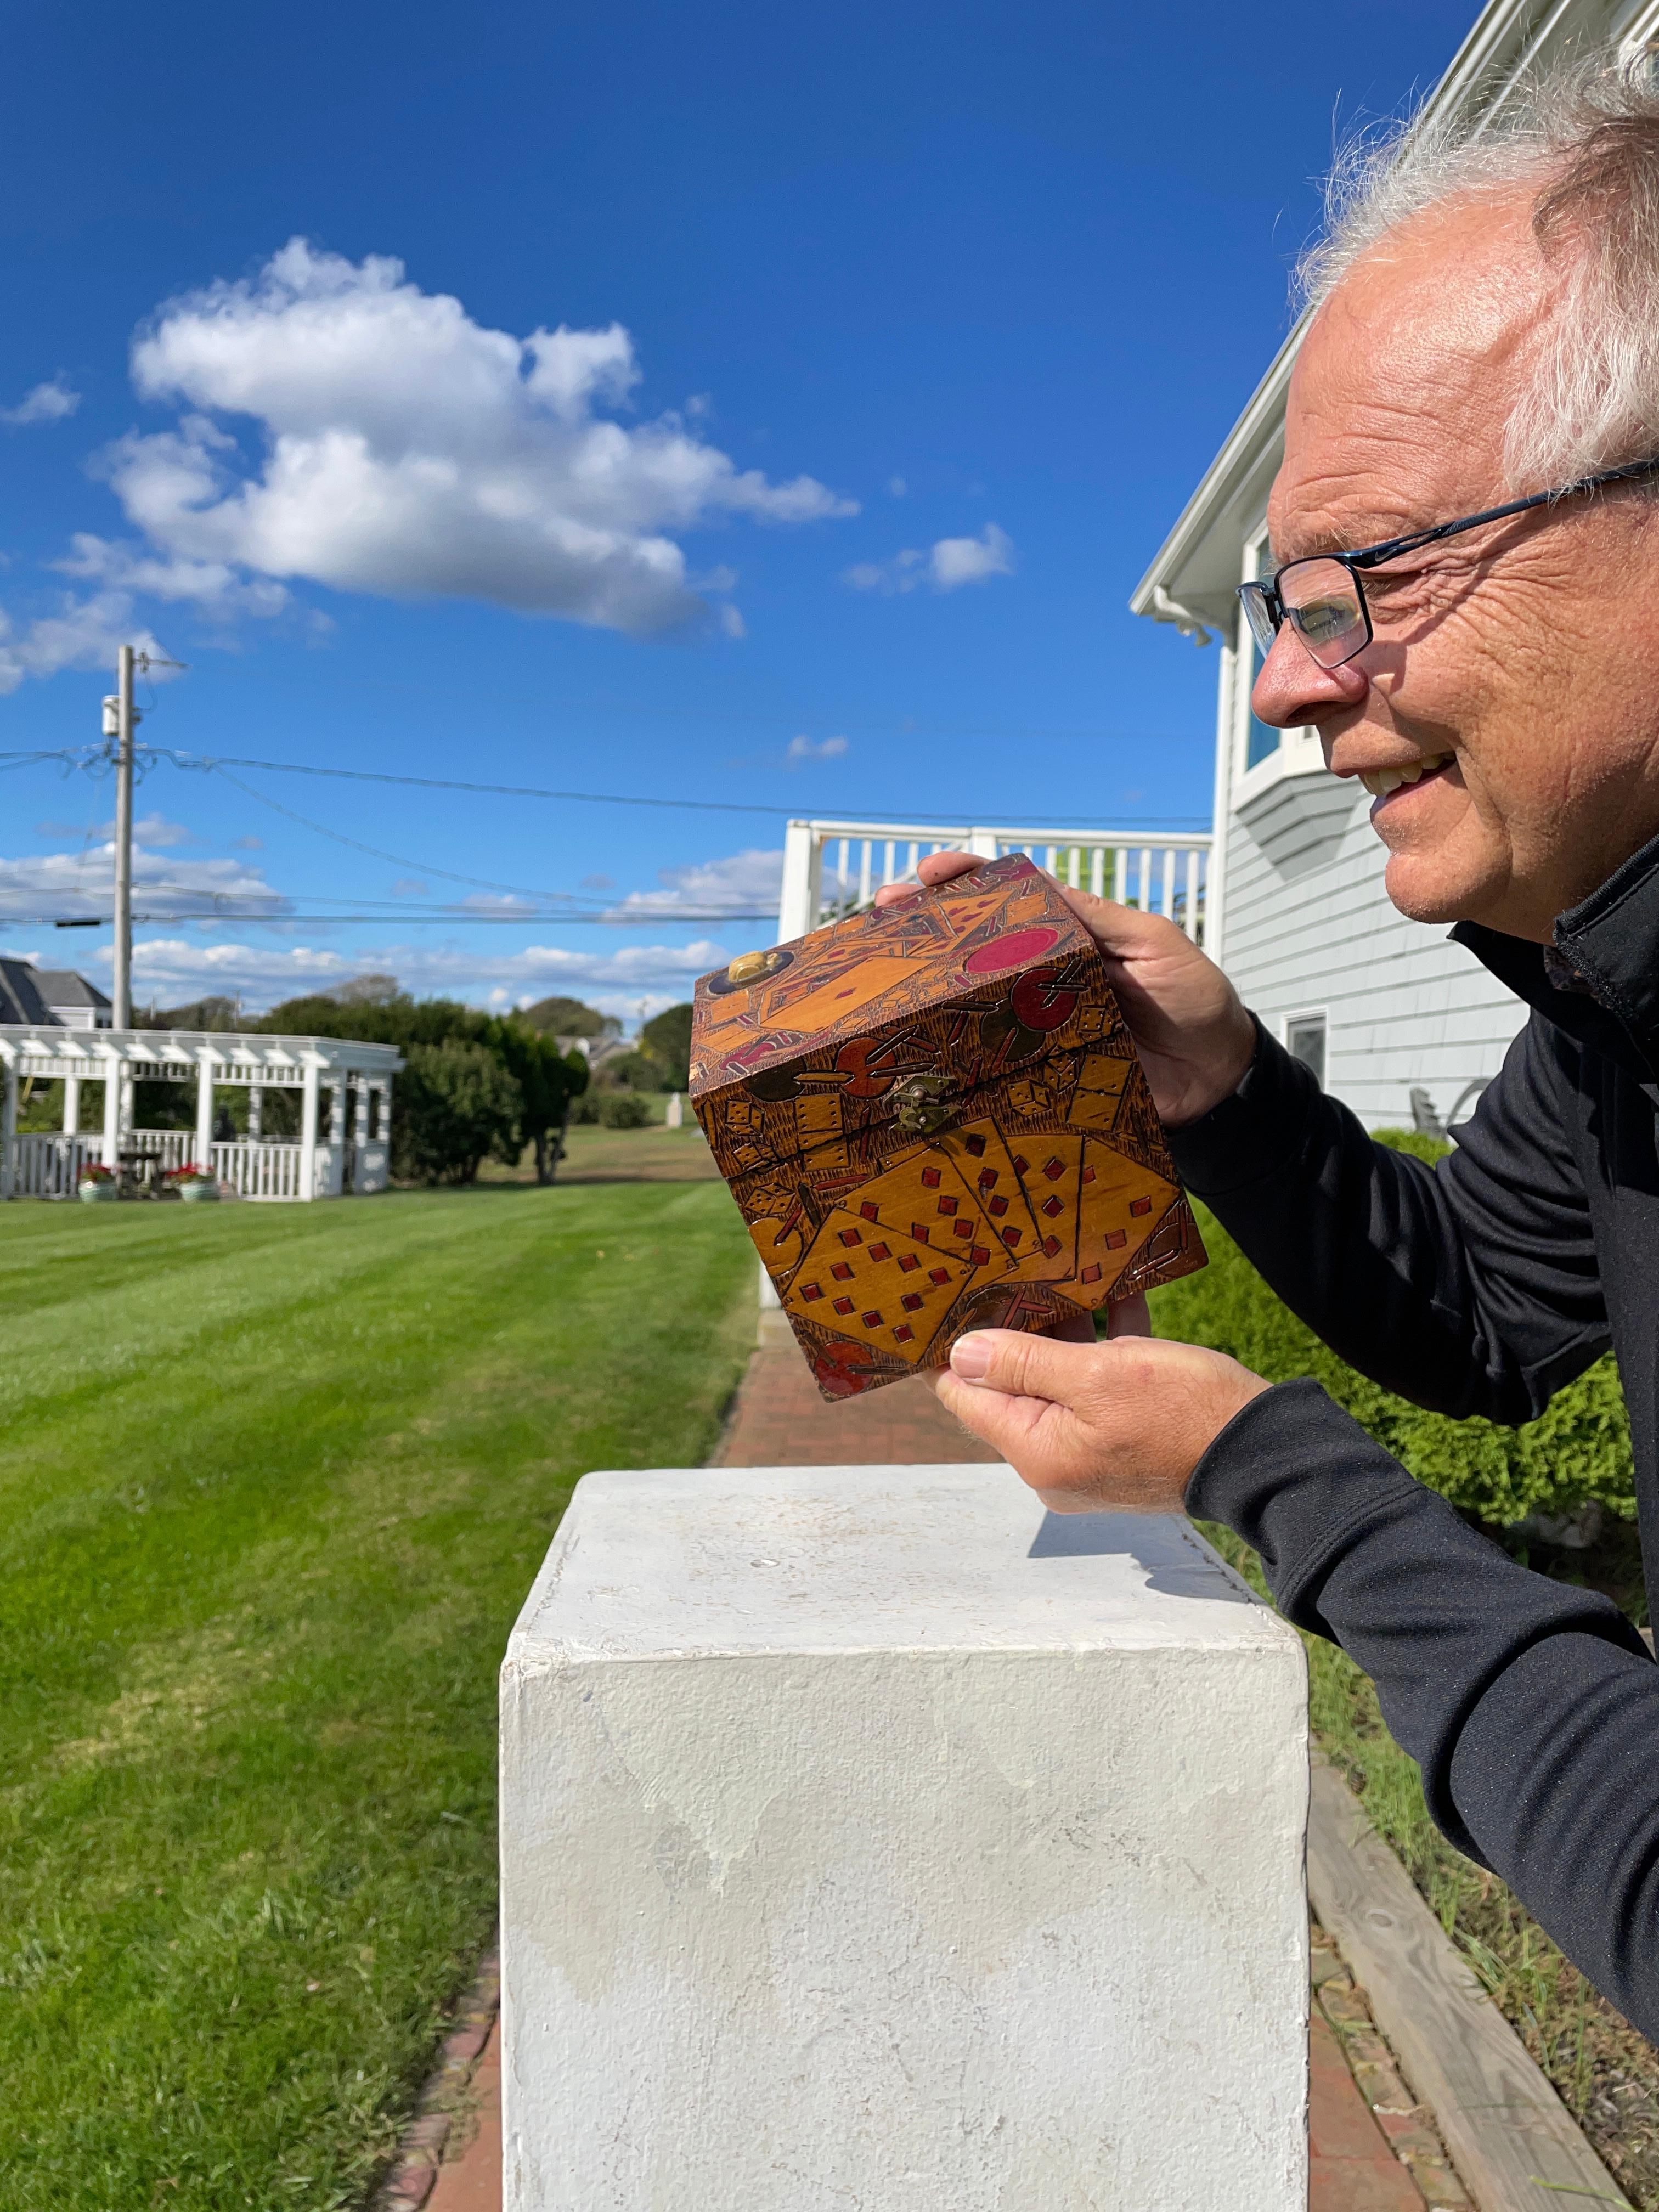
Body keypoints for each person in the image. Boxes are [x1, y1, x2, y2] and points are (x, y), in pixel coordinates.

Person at [877, 58, 1659, 2040]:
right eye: (1287, 607)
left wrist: (1259, 1470)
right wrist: (1226, 1088)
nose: (1294, 687)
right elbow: (1496, 1316)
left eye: (1372, 578)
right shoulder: (1617, 987)